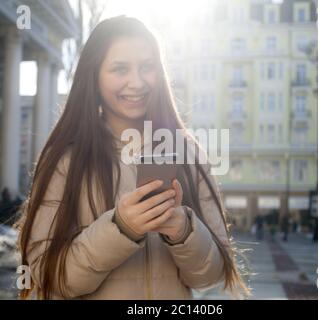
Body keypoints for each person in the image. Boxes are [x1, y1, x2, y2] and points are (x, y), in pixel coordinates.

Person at [16, 16, 249, 300]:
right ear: (94, 75)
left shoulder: (188, 152)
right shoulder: (66, 158)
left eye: (147, 67)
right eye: (120, 69)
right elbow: (46, 274)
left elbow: (211, 275)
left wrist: (183, 231)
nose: (136, 82)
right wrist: (121, 229)